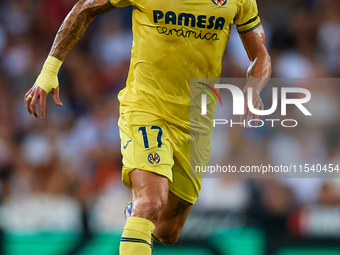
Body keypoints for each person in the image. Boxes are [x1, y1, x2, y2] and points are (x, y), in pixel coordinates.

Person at [24, 0, 271, 254]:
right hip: (146, 109)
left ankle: (135, 213)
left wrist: (253, 87)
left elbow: (260, 54)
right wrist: (49, 70)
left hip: (196, 123)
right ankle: (140, 209)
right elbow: (85, 7)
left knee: (168, 231)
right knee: (151, 203)